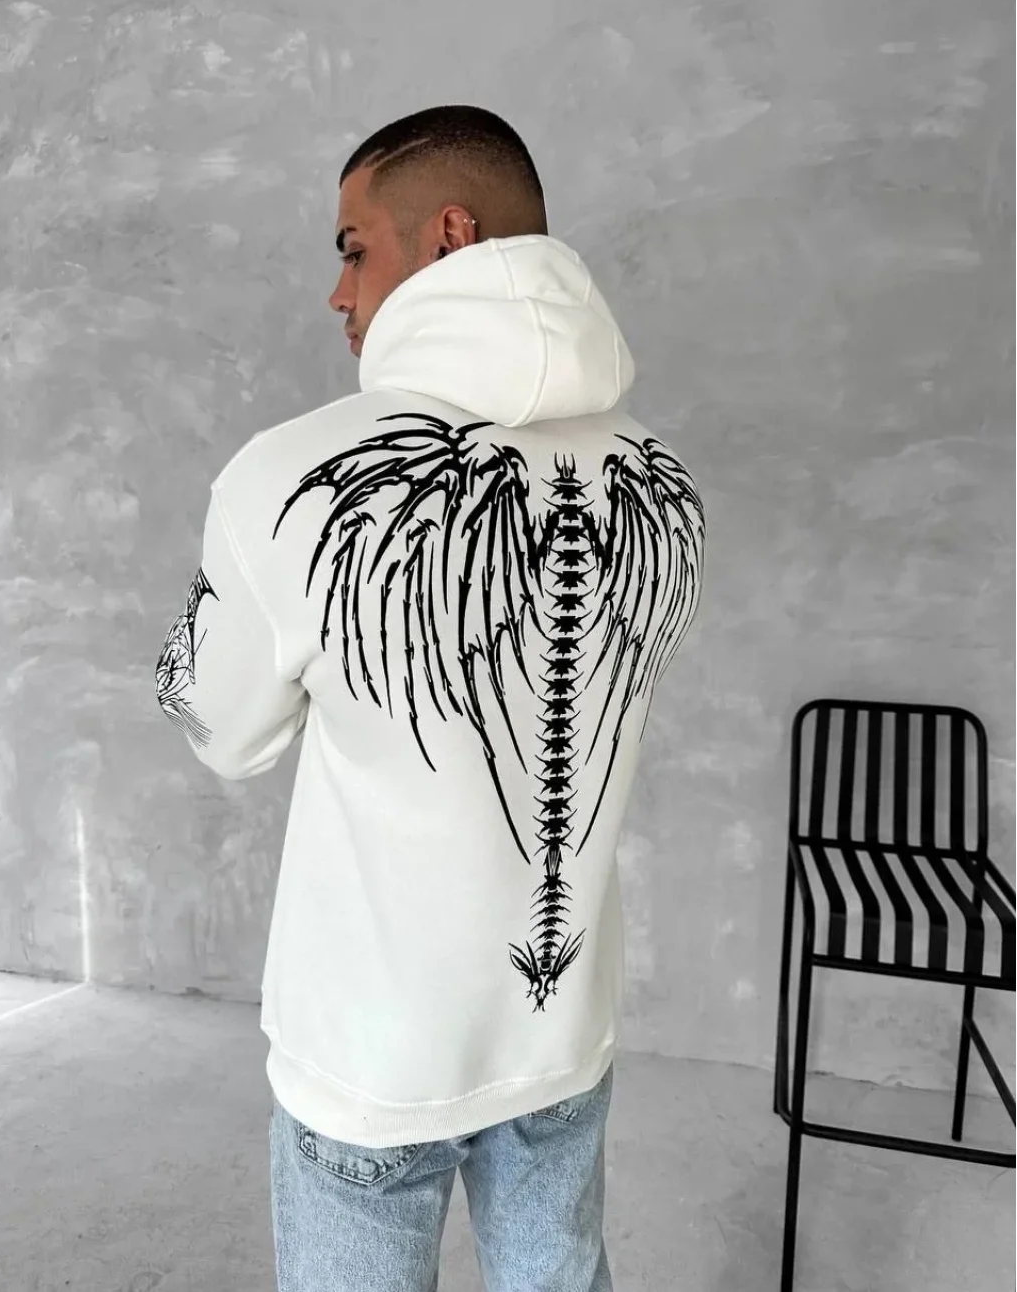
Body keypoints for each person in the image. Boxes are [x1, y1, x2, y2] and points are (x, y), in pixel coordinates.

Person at [155, 105, 705, 1292]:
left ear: (450, 234)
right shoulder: (664, 477)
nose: (337, 293)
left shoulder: (292, 477)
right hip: (560, 1032)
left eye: (354, 248)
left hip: (373, 1059)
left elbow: (221, 731)